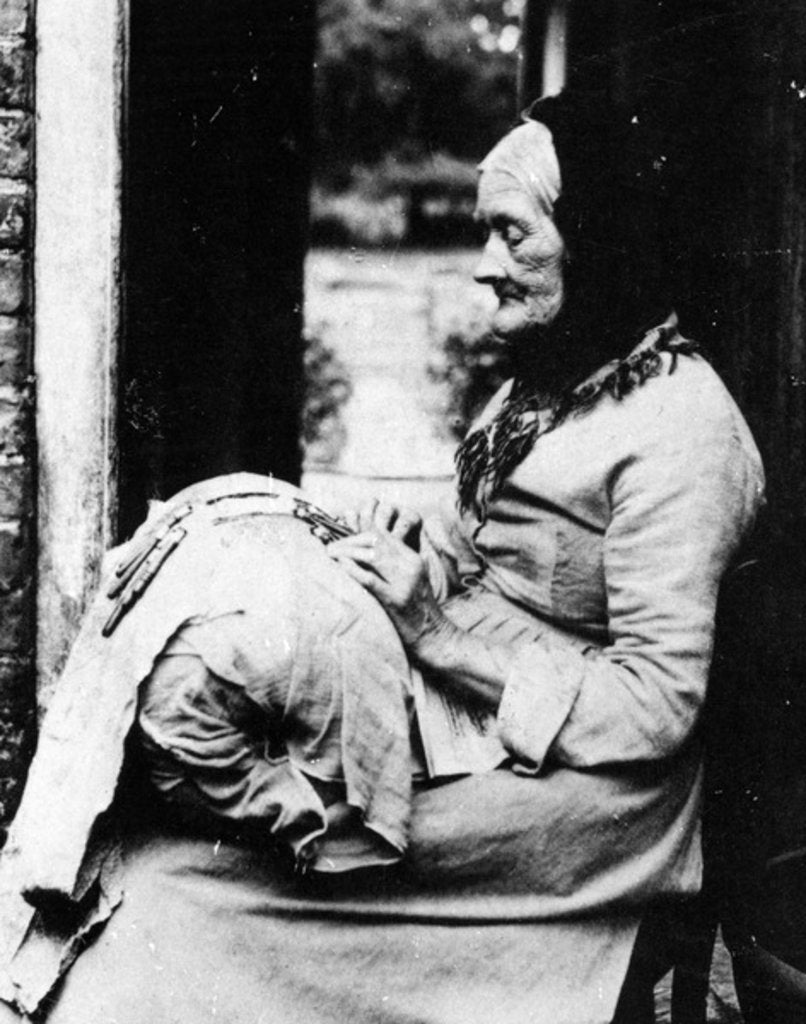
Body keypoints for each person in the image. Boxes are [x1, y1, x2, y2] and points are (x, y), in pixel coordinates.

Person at [0, 91, 763, 1024]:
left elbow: (656, 706)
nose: (486, 267)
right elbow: (481, 548)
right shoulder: (564, 376)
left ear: (601, 236)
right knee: (165, 744)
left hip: (588, 797)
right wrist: (398, 550)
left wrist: (436, 631)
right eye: (487, 234)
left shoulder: (683, 429)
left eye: (513, 236)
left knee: (185, 884)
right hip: (472, 716)